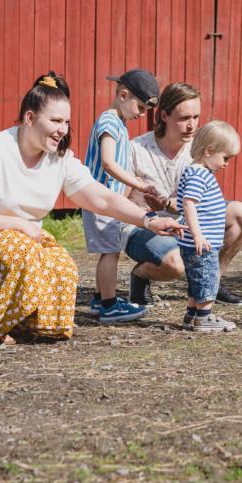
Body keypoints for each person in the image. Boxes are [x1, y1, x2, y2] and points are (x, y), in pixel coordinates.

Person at [0, 72, 182, 345]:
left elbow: (102, 198)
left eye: (66, 122)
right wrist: (18, 225)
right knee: (19, 253)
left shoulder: (60, 159)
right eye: (55, 121)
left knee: (61, 265)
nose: (63, 129)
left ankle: (24, 323)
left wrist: (148, 220)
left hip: (17, 237)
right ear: (29, 118)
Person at [122, 82, 242, 306]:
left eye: (196, 117)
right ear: (164, 115)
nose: (192, 125)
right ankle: (141, 276)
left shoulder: (199, 148)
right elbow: (118, 201)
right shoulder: (136, 149)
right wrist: (144, 211)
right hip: (143, 226)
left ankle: (212, 282)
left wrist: (173, 204)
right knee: (176, 263)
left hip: (185, 219)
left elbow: (200, 199)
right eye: (184, 118)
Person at [82, 69, 161, 324]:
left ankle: (98, 299)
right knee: (110, 251)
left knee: (110, 250)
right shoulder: (109, 122)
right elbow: (108, 162)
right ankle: (108, 305)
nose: (141, 114)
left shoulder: (119, 123)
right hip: (102, 200)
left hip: (109, 201)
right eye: (139, 107)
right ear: (123, 95)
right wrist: (137, 183)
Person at [177, 121, 241, 332]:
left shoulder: (195, 171)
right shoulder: (199, 174)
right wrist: (197, 235)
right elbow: (189, 203)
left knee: (197, 279)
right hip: (202, 242)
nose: (227, 164)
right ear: (208, 151)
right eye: (225, 158)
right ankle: (204, 318)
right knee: (207, 279)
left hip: (198, 241)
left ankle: (192, 315)